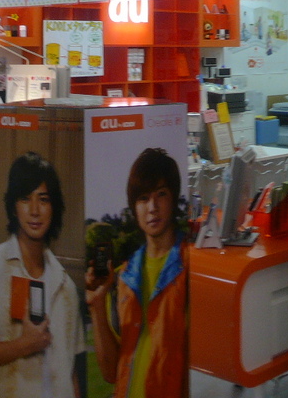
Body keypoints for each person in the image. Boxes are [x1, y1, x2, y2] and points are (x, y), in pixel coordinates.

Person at [85, 147, 188, 398]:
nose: (152, 207)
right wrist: (96, 306)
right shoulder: (121, 278)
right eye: (143, 198)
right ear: (134, 207)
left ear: (173, 198)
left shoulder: (190, 267)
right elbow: (111, 373)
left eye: (161, 194)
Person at [0, 152, 84, 398]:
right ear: (13, 206)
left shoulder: (66, 285)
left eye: (43, 200)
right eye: (25, 199)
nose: (34, 210)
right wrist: (23, 345)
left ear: (54, 207)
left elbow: (71, 368)